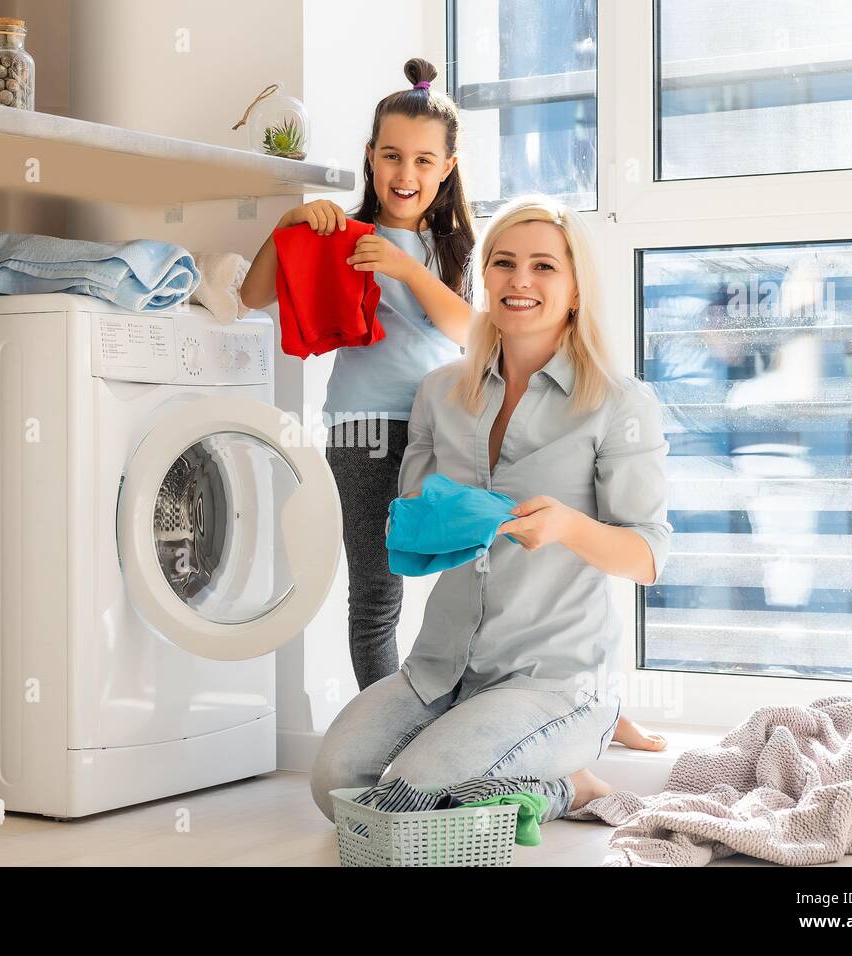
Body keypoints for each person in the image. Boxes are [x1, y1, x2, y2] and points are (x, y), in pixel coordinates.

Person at [309, 194, 674, 825]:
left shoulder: (619, 403)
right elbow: (416, 529)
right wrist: (438, 519)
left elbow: (646, 557)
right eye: (503, 263)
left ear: (577, 287)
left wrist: (566, 525)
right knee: (335, 784)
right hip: (441, 670)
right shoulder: (439, 393)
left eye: (544, 267)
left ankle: (568, 786)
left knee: (411, 798)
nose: (520, 281)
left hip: (552, 681)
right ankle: (514, 762)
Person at [240, 57, 475, 692]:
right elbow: (253, 292)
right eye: (393, 156)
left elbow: (472, 332)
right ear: (370, 157)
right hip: (362, 429)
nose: (407, 173)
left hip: (444, 426)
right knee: (375, 593)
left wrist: (408, 272)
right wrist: (289, 225)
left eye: (425, 160)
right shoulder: (345, 235)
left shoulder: (456, 250)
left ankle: (458, 713)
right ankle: (382, 733)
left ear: (446, 168)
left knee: (477, 570)